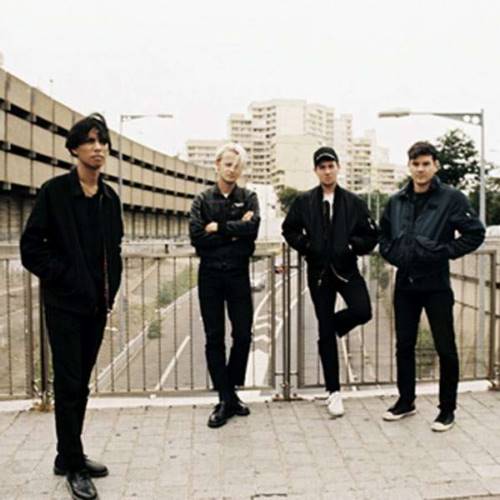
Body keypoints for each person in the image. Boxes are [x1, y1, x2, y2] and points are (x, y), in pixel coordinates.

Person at [20, 113, 123, 500]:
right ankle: (73, 464)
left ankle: (68, 455)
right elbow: (31, 248)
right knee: (68, 385)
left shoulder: (110, 198)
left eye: (103, 141)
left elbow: (114, 251)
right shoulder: (55, 193)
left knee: (80, 384)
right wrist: (65, 277)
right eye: (90, 141)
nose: (98, 148)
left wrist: (108, 295)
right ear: (74, 149)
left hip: (95, 308)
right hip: (64, 306)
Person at [379, 141, 485, 431]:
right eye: (415, 164)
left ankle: (447, 410)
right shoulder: (397, 200)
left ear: (435, 165)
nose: (421, 169)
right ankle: (406, 402)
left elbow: (475, 233)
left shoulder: (452, 198)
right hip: (405, 282)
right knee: (404, 345)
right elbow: (383, 235)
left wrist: (444, 252)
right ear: (409, 166)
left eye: (426, 163)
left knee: (445, 347)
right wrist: (393, 254)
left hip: (436, 282)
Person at [282, 146, 378, 417]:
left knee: (363, 310)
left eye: (330, 166)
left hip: (347, 269)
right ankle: (333, 392)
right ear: (316, 171)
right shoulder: (304, 202)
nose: (327, 171)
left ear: (338, 168)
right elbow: (289, 229)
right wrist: (307, 245)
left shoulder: (353, 202)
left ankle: (332, 328)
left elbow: (371, 235)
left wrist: (352, 246)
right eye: (322, 167)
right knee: (325, 333)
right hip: (319, 273)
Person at [189, 143, 260, 428]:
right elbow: (197, 237)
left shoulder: (249, 197)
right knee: (214, 337)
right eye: (228, 164)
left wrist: (218, 227)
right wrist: (235, 230)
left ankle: (229, 394)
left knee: (243, 334)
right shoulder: (202, 199)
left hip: (238, 274)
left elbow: (252, 231)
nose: (232, 170)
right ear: (217, 165)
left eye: (237, 165)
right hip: (210, 276)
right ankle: (225, 398)